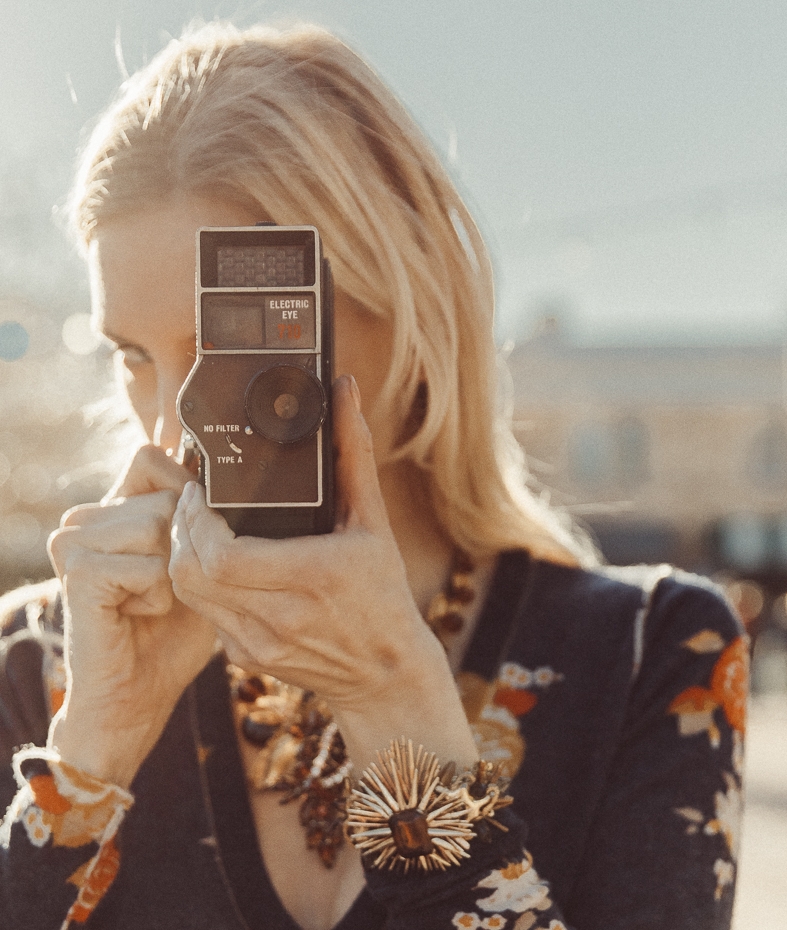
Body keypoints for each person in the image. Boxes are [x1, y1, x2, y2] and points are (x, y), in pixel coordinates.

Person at [0, 20, 747, 930]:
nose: (172, 423)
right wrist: (87, 766)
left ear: (406, 312)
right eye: (133, 355)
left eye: (232, 347)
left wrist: (401, 716)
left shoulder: (644, 655)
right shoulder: (39, 667)